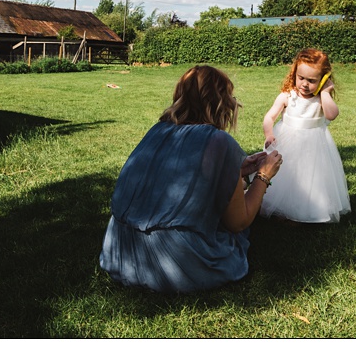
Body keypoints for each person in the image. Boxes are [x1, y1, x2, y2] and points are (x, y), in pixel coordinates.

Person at [100, 66, 280, 293]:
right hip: (174, 265)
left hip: (120, 251)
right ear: (220, 101)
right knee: (233, 235)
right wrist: (263, 176)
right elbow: (239, 221)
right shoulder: (218, 141)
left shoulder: (158, 130)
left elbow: (179, 177)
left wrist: (238, 170)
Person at [260, 50, 349, 222]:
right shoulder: (287, 96)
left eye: (312, 81)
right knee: (287, 175)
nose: (305, 84)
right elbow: (269, 117)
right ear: (294, 74)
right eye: (301, 78)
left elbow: (331, 115)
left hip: (313, 146)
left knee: (310, 177)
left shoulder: (321, 100)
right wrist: (269, 134)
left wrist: (325, 92)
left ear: (323, 79)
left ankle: (308, 210)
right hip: (288, 142)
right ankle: (283, 209)